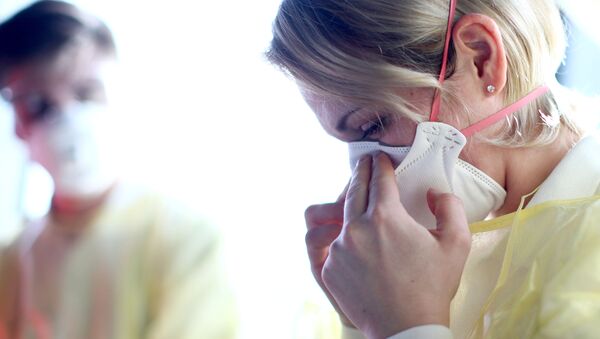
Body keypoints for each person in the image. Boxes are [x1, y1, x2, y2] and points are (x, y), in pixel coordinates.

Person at [267, 0, 600, 338]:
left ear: (482, 58)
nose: (361, 171)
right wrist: (361, 318)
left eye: (373, 125)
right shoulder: (439, 260)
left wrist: (406, 325)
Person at [0, 2, 237, 338]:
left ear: (121, 95)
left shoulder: (186, 240)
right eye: (40, 106)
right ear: (18, 128)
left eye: (86, 93)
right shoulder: (10, 263)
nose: (69, 121)